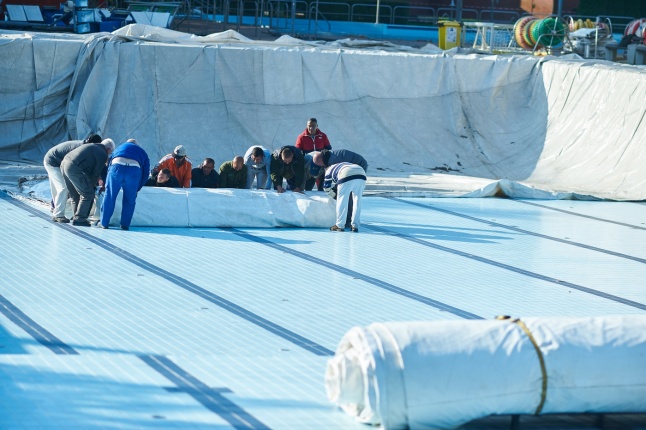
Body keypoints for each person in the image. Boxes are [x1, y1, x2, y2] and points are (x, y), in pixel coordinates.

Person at [43, 133, 102, 223]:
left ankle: (55, 207)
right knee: (63, 188)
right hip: (53, 162)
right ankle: (58, 215)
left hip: (56, 160)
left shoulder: (85, 147)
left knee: (58, 188)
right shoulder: (81, 149)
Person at [60, 138, 115, 226]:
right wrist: (93, 187)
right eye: (110, 152)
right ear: (108, 149)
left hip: (64, 164)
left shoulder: (92, 146)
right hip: (74, 167)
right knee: (88, 194)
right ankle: (80, 219)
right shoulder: (102, 154)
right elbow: (95, 174)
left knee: (75, 194)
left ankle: (76, 216)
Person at [99, 138, 150, 230]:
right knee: (130, 199)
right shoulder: (142, 151)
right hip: (134, 170)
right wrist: (138, 187)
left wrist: (107, 183)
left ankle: (104, 223)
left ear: (127, 143)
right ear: (136, 145)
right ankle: (125, 224)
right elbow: (146, 172)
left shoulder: (119, 147)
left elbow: (109, 165)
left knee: (110, 196)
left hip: (117, 166)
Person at [323, 162, 366, 233]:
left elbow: (326, 188)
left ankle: (339, 225)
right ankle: (355, 226)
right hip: (361, 174)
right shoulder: (341, 164)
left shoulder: (328, 171)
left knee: (342, 200)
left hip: (346, 174)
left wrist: (333, 195)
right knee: (357, 200)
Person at [296, 118, 332, 190]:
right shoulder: (302, 137)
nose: (311, 128)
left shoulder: (323, 136)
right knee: (308, 188)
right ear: (307, 126)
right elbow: (297, 151)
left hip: (321, 165)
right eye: (309, 126)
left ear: (317, 126)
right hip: (309, 166)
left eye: (313, 126)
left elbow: (328, 149)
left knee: (322, 189)